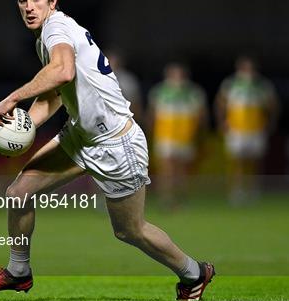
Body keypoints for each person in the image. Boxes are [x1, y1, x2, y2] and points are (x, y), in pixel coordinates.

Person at [0, 0, 214, 301]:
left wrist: (13, 97)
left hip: (115, 143)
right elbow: (56, 92)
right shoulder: (48, 35)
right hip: (80, 136)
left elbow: (63, 70)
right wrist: (22, 127)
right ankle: (18, 271)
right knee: (19, 192)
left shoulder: (55, 29)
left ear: (52, 1)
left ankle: (194, 273)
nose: (28, 6)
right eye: (22, 0)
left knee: (130, 231)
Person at [215, 55, 279, 205]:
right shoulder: (230, 84)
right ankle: (237, 190)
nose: (248, 71)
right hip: (236, 128)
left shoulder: (262, 85)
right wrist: (222, 121)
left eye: (250, 68)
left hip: (256, 127)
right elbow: (220, 103)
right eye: (245, 68)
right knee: (237, 160)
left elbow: (272, 105)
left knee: (255, 160)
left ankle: (253, 189)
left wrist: (270, 122)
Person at [147, 63, 208, 209]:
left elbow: (201, 114)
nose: (177, 77)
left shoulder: (193, 92)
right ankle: (166, 199)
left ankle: (182, 199)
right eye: (174, 74)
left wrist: (198, 133)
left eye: (179, 74)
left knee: (182, 170)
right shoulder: (160, 91)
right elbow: (152, 113)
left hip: (185, 136)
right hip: (165, 135)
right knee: (166, 168)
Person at [106, 49, 144, 124]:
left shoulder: (127, 80)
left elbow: (136, 103)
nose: (112, 65)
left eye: (114, 62)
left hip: (124, 119)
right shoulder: (97, 78)